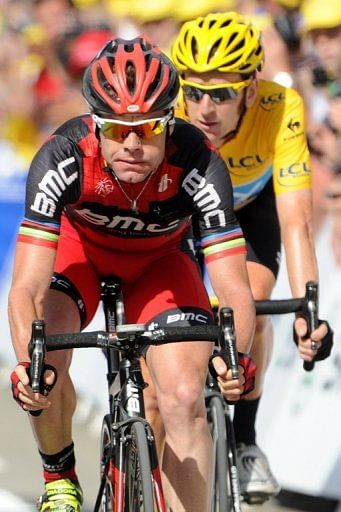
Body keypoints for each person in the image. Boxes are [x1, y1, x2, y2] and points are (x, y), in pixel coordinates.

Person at [8, 36, 257, 512]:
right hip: (80, 256)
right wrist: (29, 367)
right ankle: (59, 475)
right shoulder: (63, 155)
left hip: (161, 263)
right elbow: (26, 288)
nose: (134, 144)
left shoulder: (199, 160)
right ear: (96, 125)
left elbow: (232, 283)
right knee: (49, 356)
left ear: (169, 122)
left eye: (149, 129)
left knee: (184, 398)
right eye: (119, 130)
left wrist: (237, 354)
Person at [171, 11, 333, 503]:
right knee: (161, 393)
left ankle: (244, 439)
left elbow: (297, 223)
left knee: (251, 303)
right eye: (193, 91)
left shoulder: (284, 108)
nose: (204, 107)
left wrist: (308, 307)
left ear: (252, 87)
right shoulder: (169, 109)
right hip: (181, 211)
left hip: (248, 210)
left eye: (221, 93)